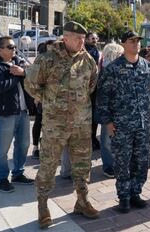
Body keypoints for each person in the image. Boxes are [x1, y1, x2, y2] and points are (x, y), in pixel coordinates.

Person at [25, 21, 99, 228]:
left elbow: (91, 85)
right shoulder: (48, 58)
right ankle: (42, 205)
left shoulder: (88, 60)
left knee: (83, 164)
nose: (81, 41)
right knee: (48, 165)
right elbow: (30, 83)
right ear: (65, 38)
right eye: (77, 38)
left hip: (82, 123)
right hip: (55, 124)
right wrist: (48, 100)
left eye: (83, 38)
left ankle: (82, 201)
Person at [97, 31, 150, 213]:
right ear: (123, 44)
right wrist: (107, 122)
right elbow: (103, 98)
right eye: (132, 41)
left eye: (138, 41)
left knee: (141, 161)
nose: (136, 44)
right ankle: (123, 196)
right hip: (121, 125)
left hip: (142, 124)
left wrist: (149, 116)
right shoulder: (113, 69)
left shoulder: (147, 67)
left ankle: (135, 193)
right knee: (122, 162)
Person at [0, 36, 35, 193]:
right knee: (2, 149)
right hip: (5, 113)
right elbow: (1, 86)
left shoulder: (17, 63)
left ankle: (18, 173)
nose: (14, 49)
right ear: (0, 50)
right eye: (10, 47)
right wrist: (16, 75)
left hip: (22, 111)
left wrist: (23, 73)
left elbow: (30, 78)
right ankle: (1, 179)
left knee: (23, 144)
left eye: (14, 46)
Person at [95, 42, 125, 178]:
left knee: (112, 139)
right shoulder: (107, 68)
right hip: (109, 109)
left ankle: (113, 165)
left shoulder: (112, 67)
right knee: (108, 139)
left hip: (114, 109)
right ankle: (109, 166)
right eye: (120, 53)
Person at [31, 40, 55, 159]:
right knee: (39, 122)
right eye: (50, 46)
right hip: (43, 97)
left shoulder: (60, 59)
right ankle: (36, 147)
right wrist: (37, 96)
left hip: (55, 100)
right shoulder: (40, 59)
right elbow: (33, 79)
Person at [85, 32, 101, 151]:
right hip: (85, 85)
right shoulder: (85, 50)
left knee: (94, 113)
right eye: (92, 38)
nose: (95, 40)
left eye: (96, 38)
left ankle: (93, 137)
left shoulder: (96, 50)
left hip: (95, 85)